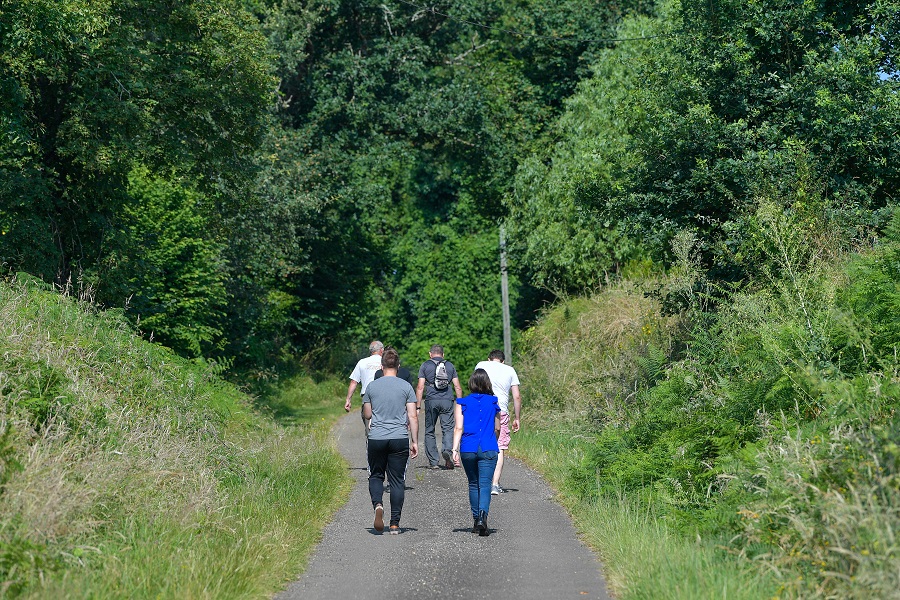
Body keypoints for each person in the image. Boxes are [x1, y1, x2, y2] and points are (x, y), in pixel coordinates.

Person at [363, 347, 419, 534]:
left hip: (377, 437)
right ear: (398, 366)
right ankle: (394, 524)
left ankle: (378, 505)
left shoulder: (372, 386)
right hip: (399, 438)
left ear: (381, 366)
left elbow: (368, 413)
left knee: (376, 475)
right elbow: (413, 416)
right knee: (397, 481)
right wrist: (415, 442)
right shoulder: (406, 386)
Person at [451, 368, 500, 536]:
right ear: (487, 383)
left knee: (473, 483)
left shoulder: (462, 402)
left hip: (468, 448)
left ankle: (475, 521)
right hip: (488, 447)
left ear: (471, 383)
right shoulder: (494, 402)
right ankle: (482, 518)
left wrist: (454, 449)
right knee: (485, 484)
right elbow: (498, 427)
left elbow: (458, 427)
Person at [475, 349, 521, 495]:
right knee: (499, 447)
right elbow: (517, 396)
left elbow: (474, 385)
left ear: (489, 359)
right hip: (501, 411)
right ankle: (494, 484)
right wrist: (517, 418)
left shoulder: (481, 365)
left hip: (482, 409)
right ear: (503, 361)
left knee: (481, 443)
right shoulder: (510, 370)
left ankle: (482, 482)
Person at [416, 345, 462, 469]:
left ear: (430, 354)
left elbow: (420, 387)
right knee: (447, 428)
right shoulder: (450, 365)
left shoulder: (425, 365)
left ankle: (434, 461)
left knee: (430, 430)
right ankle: (447, 450)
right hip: (447, 400)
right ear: (443, 354)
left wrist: (418, 406)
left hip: (431, 400)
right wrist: (460, 403)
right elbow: (457, 386)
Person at [344, 340, 384, 439]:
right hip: (384, 397)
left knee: (369, 429)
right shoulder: (385, 362)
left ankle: (370, 450)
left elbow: (354, 382)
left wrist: (348, 399)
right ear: (382, 350)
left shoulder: (362, 362)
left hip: (367, 398)